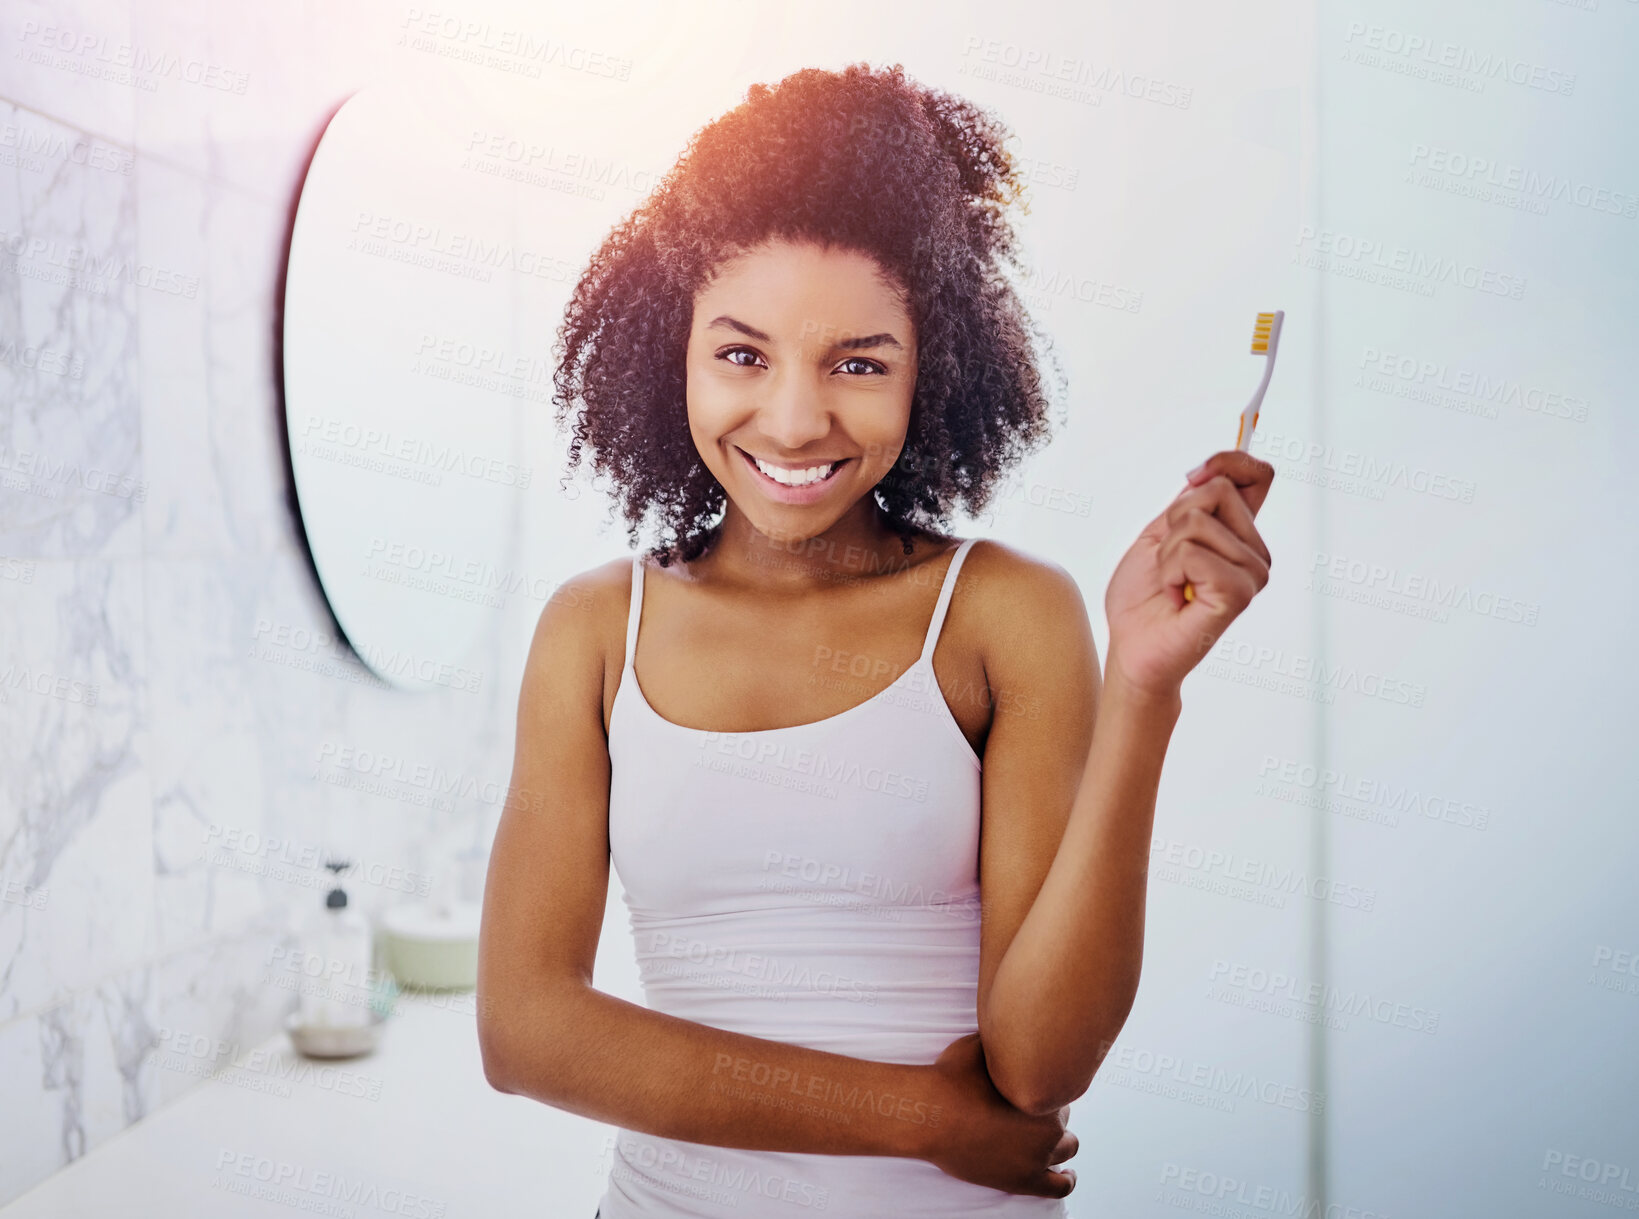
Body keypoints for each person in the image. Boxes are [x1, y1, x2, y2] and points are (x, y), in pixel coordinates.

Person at [476, 62, 1274, 1218]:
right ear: (672, 355)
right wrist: (917, 1115)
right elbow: (525, 1030)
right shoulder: (597, 631)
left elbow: (1042, 1067)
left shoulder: (1006, 616)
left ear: (932, 368)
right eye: (742, 355)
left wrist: (1144, 686)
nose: (795, 420)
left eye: (858, 362)